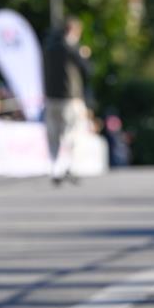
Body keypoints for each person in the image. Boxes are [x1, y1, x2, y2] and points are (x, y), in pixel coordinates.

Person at [43, 16, 91, 185]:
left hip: (50, 98)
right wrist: (84, 55)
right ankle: (70, 166)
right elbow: (87, 70)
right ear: (74, 31)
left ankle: (55, 167)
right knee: (73, 133)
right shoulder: (72, 48)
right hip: (70, 98)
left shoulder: (49, 48)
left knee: (53, 135)